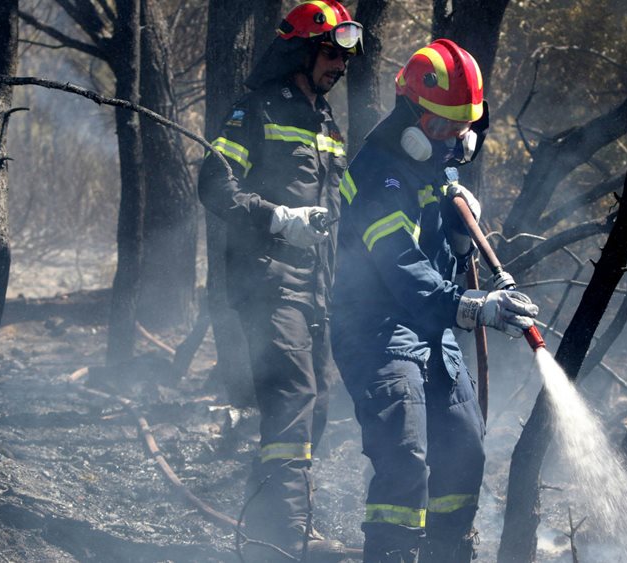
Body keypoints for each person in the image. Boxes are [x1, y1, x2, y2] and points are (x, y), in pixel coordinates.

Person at [331, 39, 540, 562]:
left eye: (461, 128)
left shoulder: (437, 162)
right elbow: (403, 271)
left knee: (465, 449)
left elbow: (432, 252)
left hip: (430, 330)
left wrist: (457, 233)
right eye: (441, 127)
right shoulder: (378, 173)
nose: (453, 141)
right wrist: (477, 306)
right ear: (411, 113)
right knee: (404, 459)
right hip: (376, 331)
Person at [196, 1, 362, 559]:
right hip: (268, 281)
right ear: (300, 48)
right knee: (293, 397)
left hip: (317, 287)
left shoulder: (327, 123)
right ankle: (289, 541)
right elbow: (214, 184)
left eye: (344, 58)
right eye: (330, 53)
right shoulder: (257, 111)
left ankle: (268, 528)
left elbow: (343, 207)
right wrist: (274, 217)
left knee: (316, 405)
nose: (338, 66)